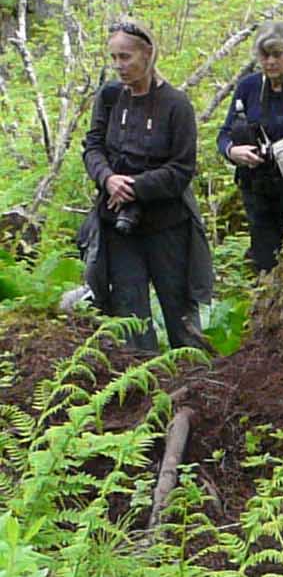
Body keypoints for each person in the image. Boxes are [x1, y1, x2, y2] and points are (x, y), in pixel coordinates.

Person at [82, 19, 212, 356]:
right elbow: (93, 146)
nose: (119, 66)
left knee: (180, 311)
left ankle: (194, 375)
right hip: (118, 225)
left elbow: (182, 168)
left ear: (147, 54)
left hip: (167, 225)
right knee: (129, 313)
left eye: (125, 57)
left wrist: (136, 187)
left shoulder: (176, 104)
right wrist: (108, 178)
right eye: (114, 57)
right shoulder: (109, 97)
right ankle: (142, 375)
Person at [218, 23, 283, 274]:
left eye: (277, 55)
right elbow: (224, 134)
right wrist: (233, 151)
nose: (271, 62)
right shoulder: (249, 87)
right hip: (257, 186)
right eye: (264, 55)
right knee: (265, 257)